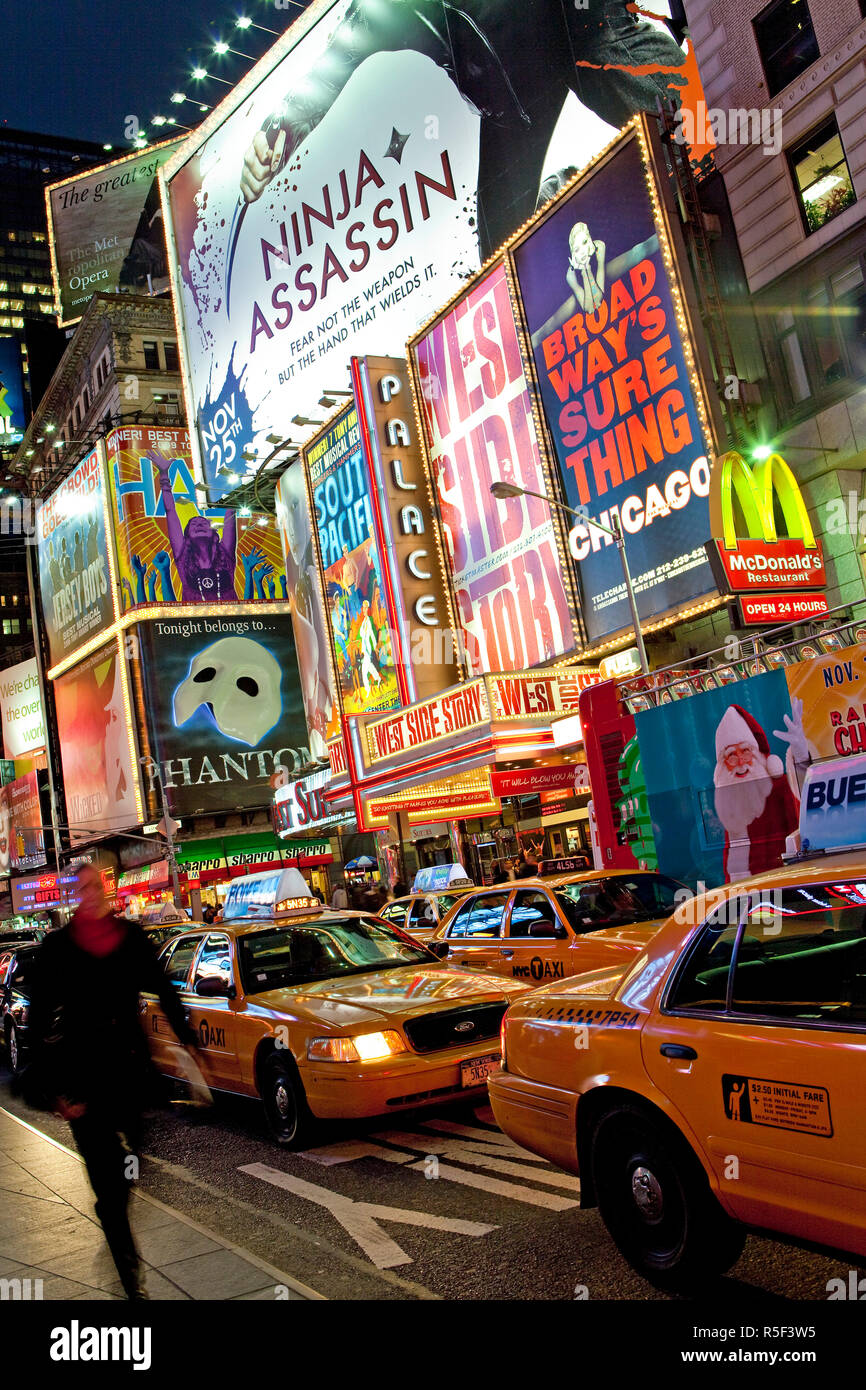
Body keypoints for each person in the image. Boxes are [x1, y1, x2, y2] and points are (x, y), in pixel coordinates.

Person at [25, 864, 202, 1300]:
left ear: (103, 889)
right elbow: (39, 1017)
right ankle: (131, 1281)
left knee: (129, 1170)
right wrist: (50, 1090)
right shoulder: (57, 949)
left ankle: (112, 1202)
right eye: (78, 888)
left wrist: (188, 1040)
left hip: (129, 1076)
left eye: (91, 885)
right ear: (73, 895)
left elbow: (164, 989)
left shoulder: (130, 939)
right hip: (83, 1080)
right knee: (109, 1181)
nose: (86, 893)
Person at [712, 701, 808, 883]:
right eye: (732, 755)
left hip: (787, 887)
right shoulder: (730, 805)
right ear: (722, 764)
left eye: (746, 751)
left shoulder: (778, 788)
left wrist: (801, 759)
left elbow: (802, 806)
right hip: (748, 897)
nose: (741, 762)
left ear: (757, 754)